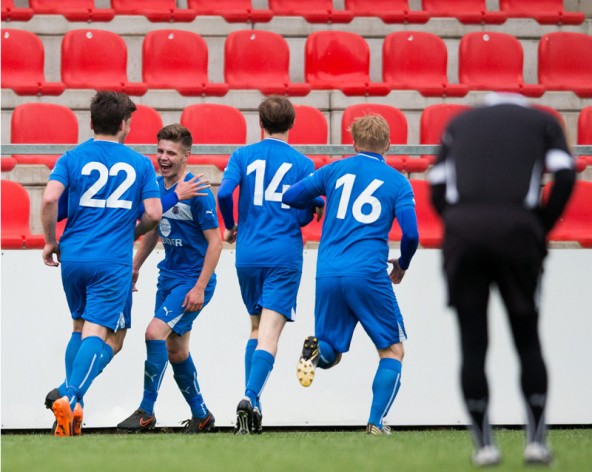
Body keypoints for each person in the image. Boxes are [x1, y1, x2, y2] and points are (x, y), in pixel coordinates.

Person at [428, 93, 576, 466]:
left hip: (465, 234)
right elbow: (566, 173)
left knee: (473, 343)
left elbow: (435, 184)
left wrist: (459, 222)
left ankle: (484, 446)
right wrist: (538, 224)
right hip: (517, 231)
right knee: (527, 336)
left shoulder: (458, 123)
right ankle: (536, 442)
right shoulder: (542, 121)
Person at [282, 114, 419, 435]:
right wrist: (403, 264)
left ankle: (315, 352)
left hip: (328, 270)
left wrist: (318, 200)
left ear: (353, 143)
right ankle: (375, 422)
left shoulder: (334, 171)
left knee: (332, 351)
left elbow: (290, 196)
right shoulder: (398, 181)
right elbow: (411, 234)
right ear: (388, 145)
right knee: (392, 350)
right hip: (368, 272)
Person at [41, 91, 163, 436]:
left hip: (74, 256)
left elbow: (50, 197)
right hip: (112, 260)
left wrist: (51, 240)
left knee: (79, 327)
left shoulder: (71, 157)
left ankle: (72, 409)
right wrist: (132, 229)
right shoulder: (139, 163)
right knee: (101, 333)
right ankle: (69, 395)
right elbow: (154, 213)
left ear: (91, 122)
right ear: (125, 125)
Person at [217, 96, 324, 435]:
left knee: (254, 327)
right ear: (291, 125)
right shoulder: (302, 163)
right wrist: (307, 214)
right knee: (270, 334)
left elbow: (224, 193)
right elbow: (314, 203)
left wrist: (231, 224)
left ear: (260, 123)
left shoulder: (242, 155)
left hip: (248, 253)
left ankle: (255, 404)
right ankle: (249, 397)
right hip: (282, 255)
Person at [117, 124, 223, 433]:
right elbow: (153, 230)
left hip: (191, 281)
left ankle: (146, 411)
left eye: (170, 153)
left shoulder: (198, 191)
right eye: (160, 150)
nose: (163, 158)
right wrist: (136, 265)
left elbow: (216, 242)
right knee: (176, 351)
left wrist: (200, 287)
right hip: (169, 277)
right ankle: (202, 416)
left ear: (186, 155)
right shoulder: (158, 188)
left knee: (153, 333)